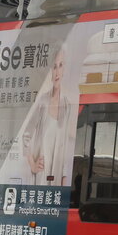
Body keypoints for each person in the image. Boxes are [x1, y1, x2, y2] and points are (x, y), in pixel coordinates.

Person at [24, 48, 75, 185]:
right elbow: (26, 135)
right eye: (53, 67)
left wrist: (64, 178)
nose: (57, 72)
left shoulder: (68, 105)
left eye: (60, 65)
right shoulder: (42, 101)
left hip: (58, 177)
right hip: (41, 175)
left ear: (64, 69)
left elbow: (65, 145)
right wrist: (33, 164)